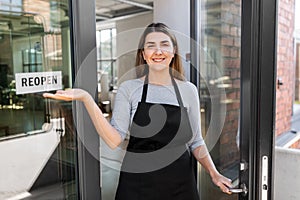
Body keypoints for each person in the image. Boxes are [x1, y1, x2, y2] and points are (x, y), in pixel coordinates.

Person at [43, 22, 232, 199]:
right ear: (143, 54)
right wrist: (87, 99)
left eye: (164, 44)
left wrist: (214, 174)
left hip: (180, 182)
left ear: (173, 51)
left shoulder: (188, 90)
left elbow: (196, 141)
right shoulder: (129, 89)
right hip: (138, 183)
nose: (158, 51)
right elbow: (114, 139)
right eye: (151, 45)